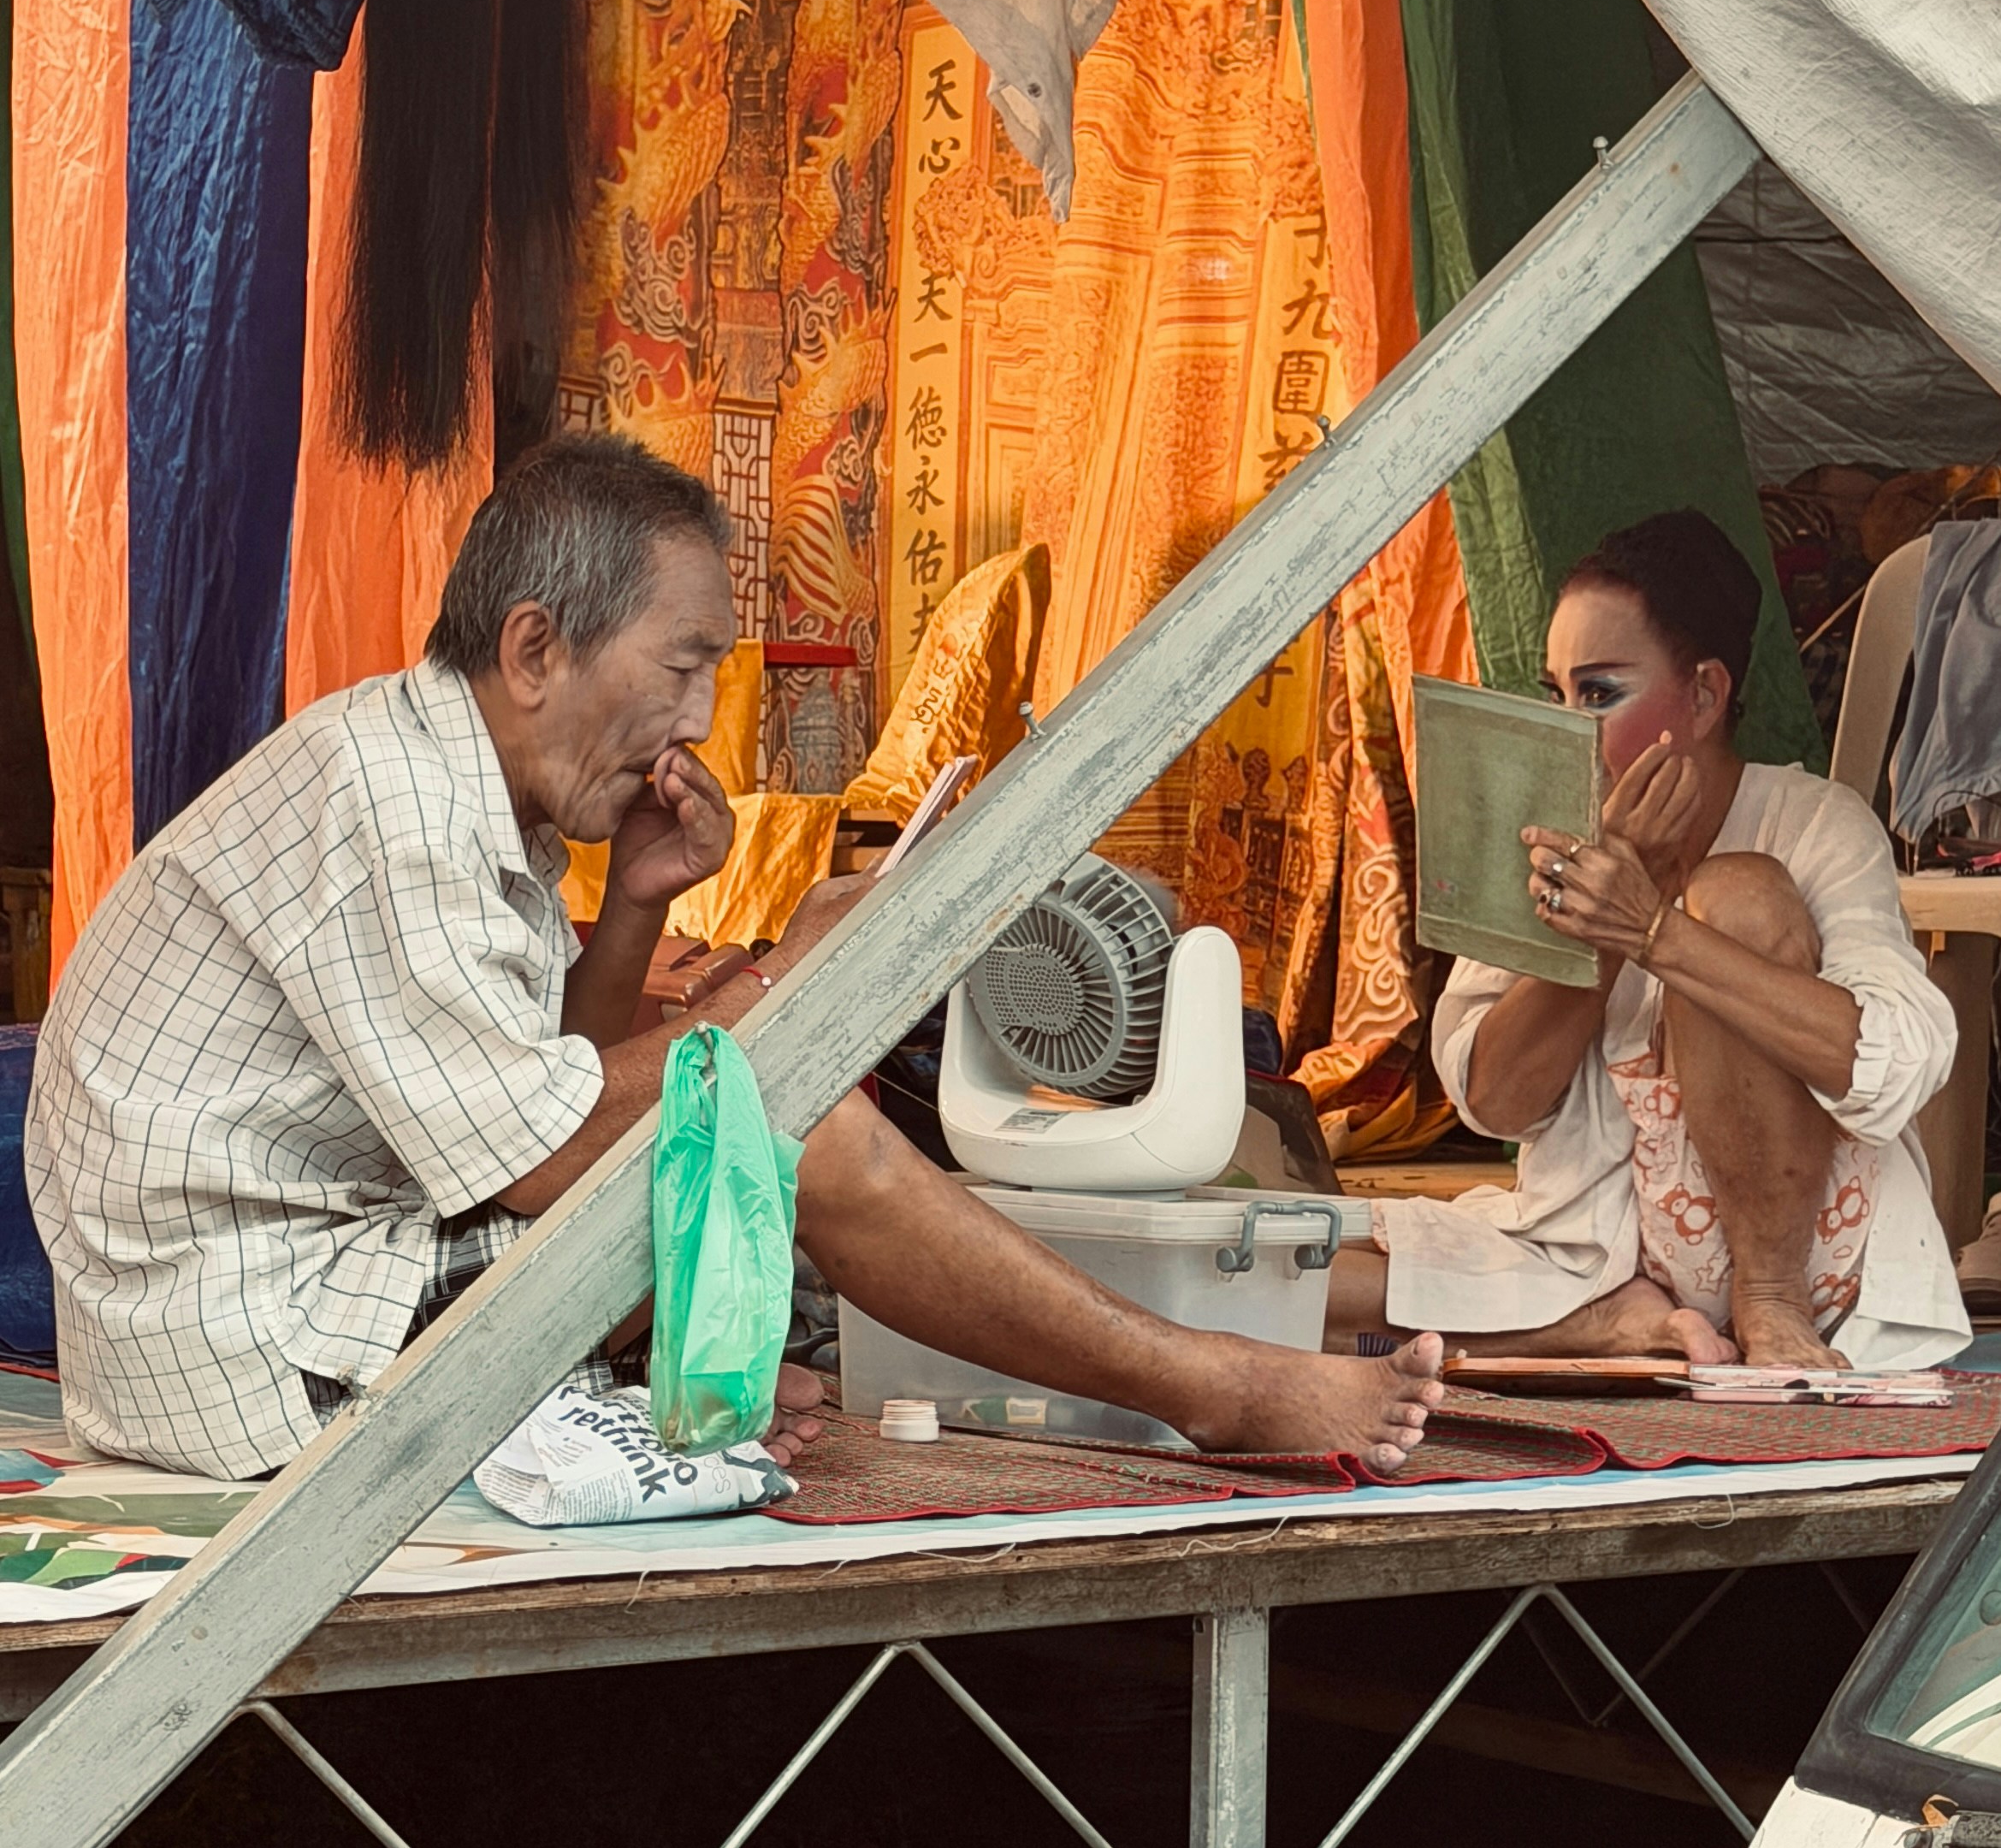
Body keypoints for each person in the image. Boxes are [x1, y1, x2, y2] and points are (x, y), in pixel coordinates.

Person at [27, 435, 1444, 1483]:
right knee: (799, 1145)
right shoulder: (383, 801)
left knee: (773, 1241)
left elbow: (539, 1100)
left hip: (311, 1278)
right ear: (533, 648)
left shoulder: (447, 782)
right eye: (681, 665)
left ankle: (690, 1398)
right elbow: (533, 1155)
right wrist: (782, 982)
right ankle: (1215, 1389)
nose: (697, 719)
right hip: (235, 1336)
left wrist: (635, 911)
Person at [1320, 509, 1968, 1372]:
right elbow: (1495, 1101)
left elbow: (1897, 1063)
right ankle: (1611, 1330)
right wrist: (1598, 932)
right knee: (1279, 1290)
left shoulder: (1812, 822)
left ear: (1702, 695)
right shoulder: (1550, 835)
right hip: (1600, 1251)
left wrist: (1658, 933)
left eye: (1599, 693)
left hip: (1801, 1255)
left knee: (1736, 893)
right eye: (1556, 696)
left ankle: (1762, 1308)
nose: (1572, 730)